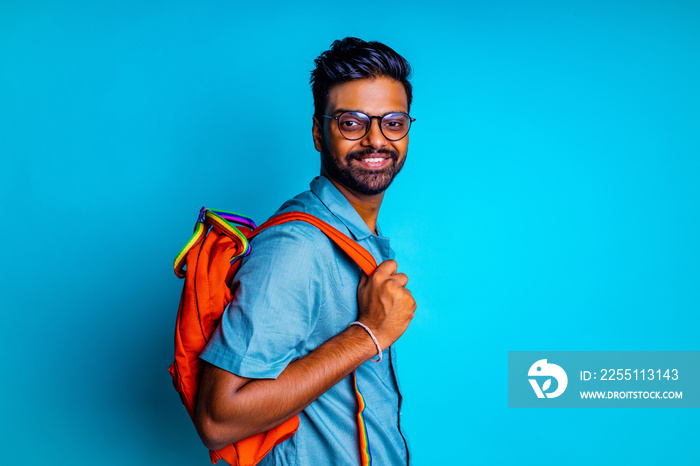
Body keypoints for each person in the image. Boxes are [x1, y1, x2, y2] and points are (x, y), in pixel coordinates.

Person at [196, 37, 417, 465]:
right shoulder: (296, 249)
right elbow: (217, 419)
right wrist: (368, 334)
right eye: (352, 123)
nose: (376, 140)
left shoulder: (353, 235)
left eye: (393, 122)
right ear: (319, 132)